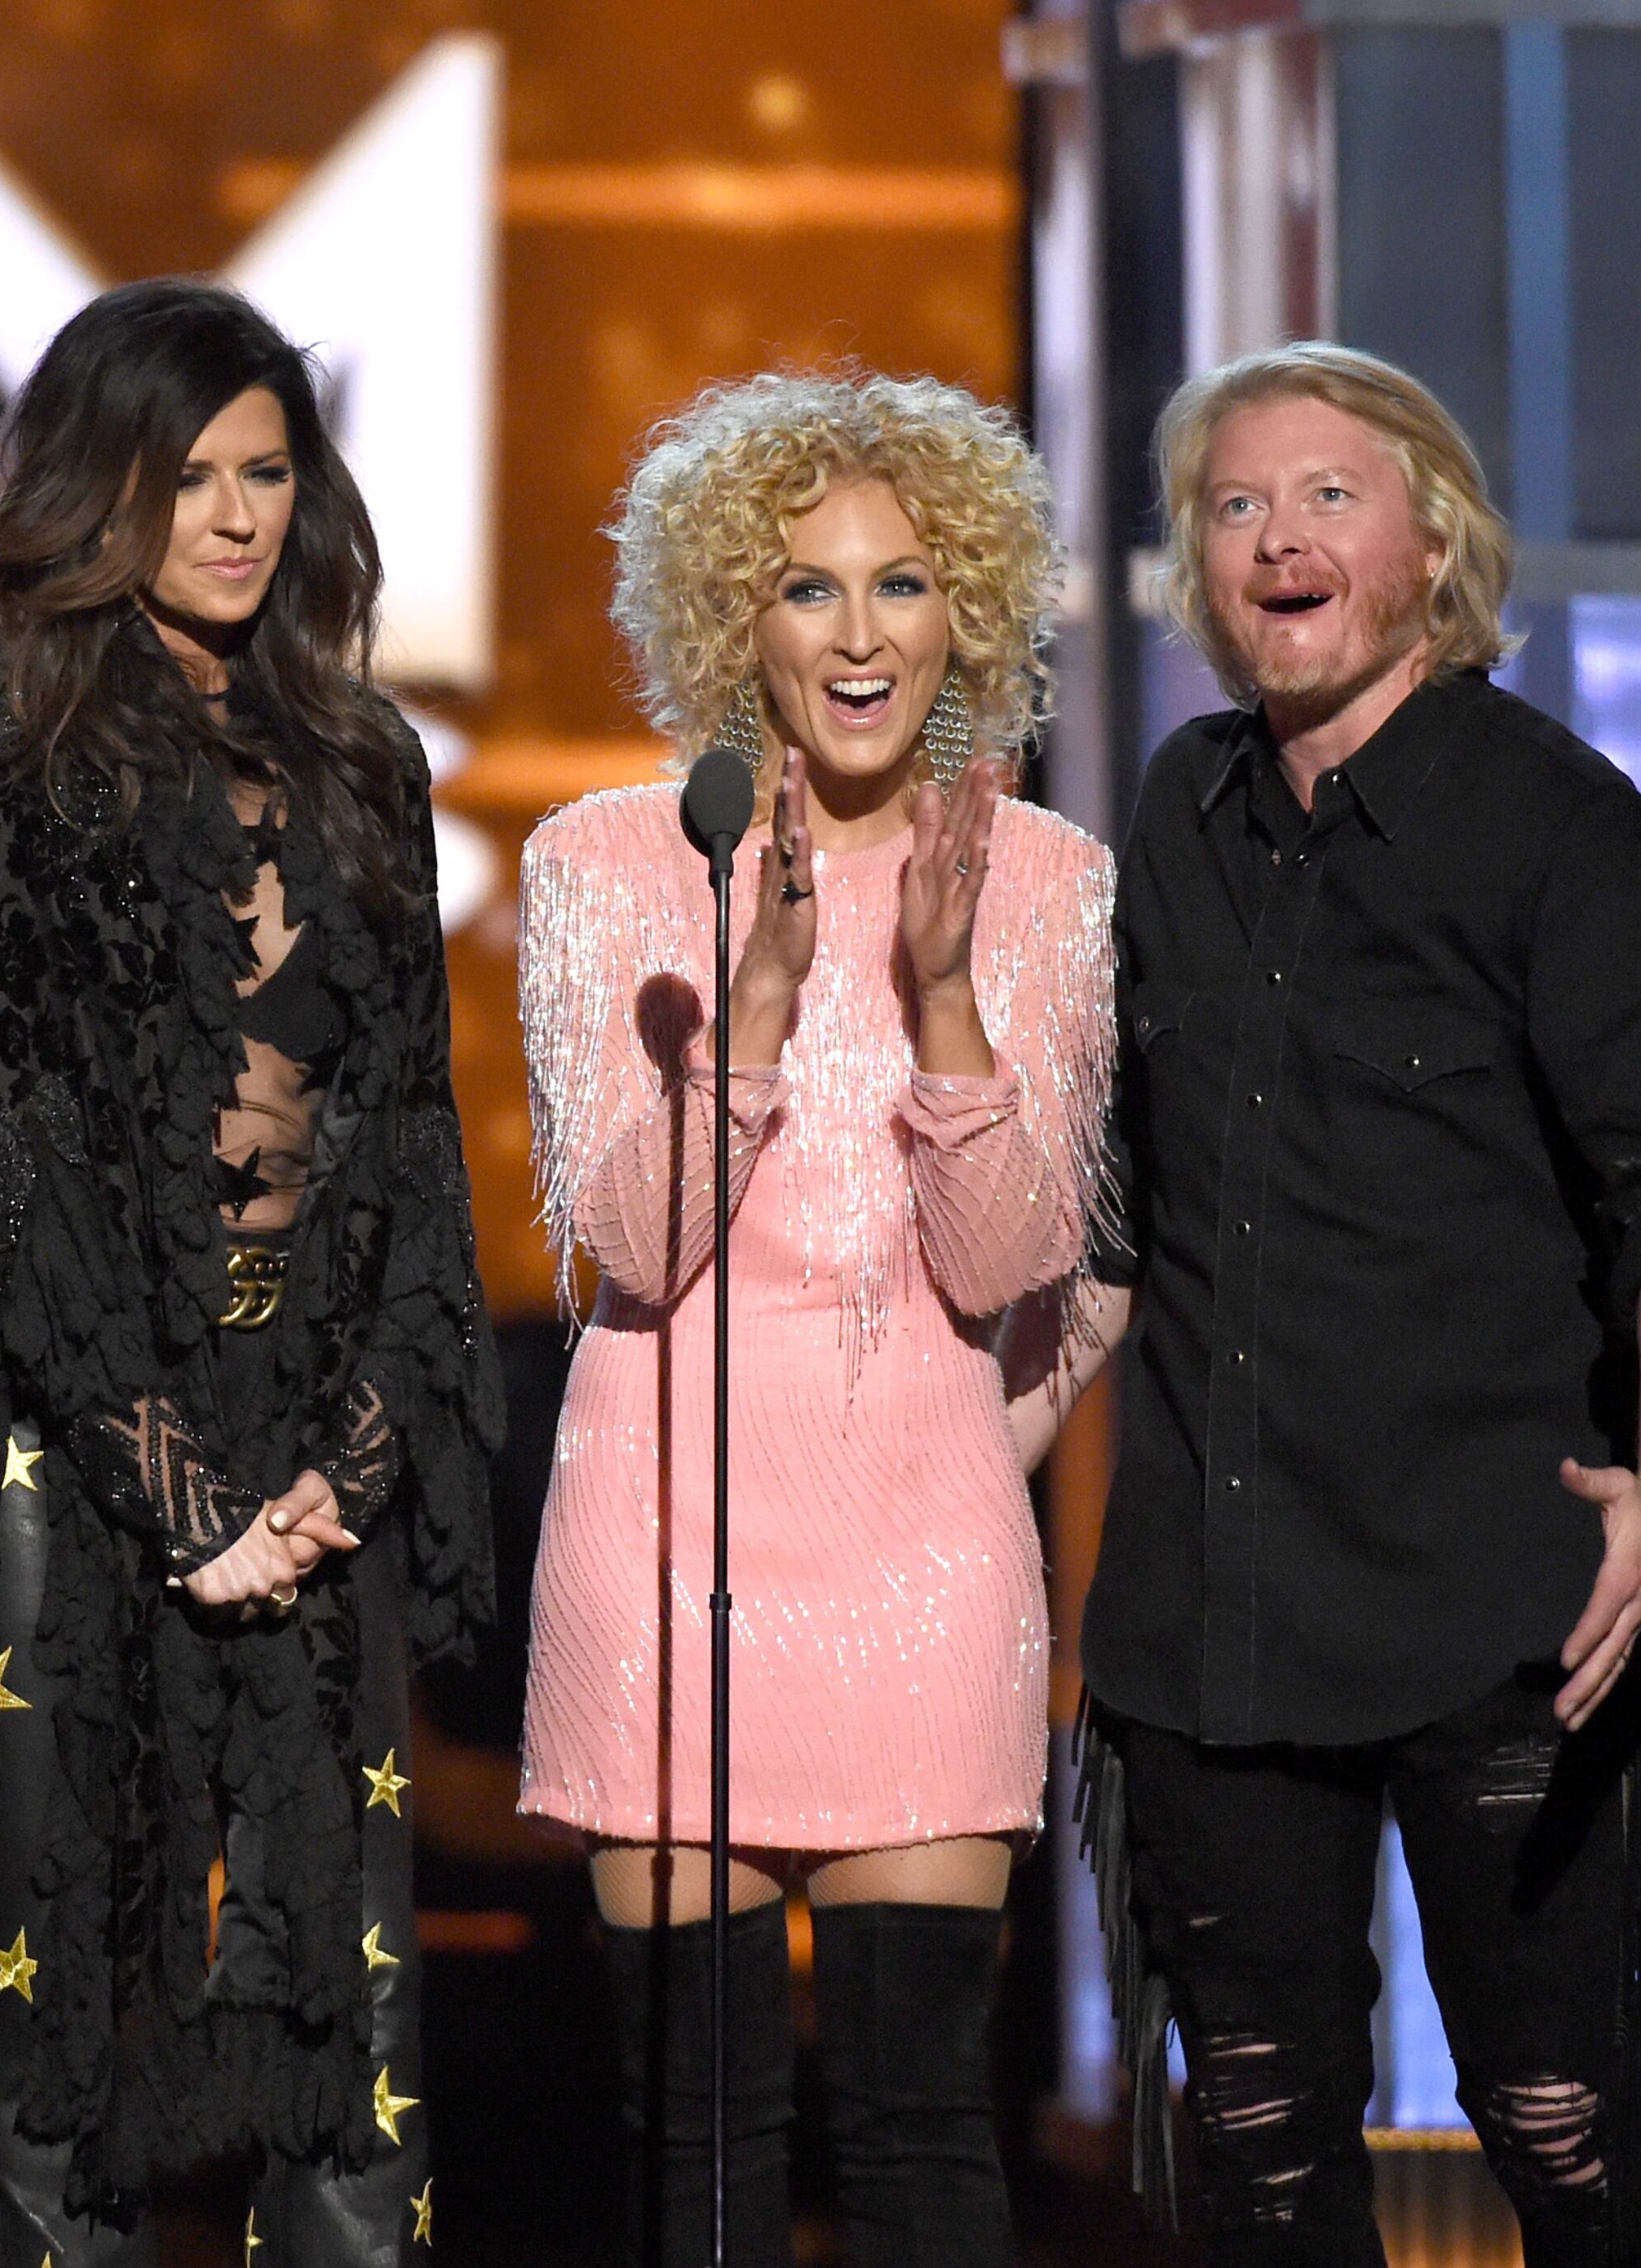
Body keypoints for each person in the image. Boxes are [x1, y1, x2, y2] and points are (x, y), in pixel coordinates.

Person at [1076, 342, 1641, 2267]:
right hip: (1214, 1638)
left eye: (1325, 495)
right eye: (1234, 506)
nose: (1276, 538)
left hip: (1497, 1610)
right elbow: (1109, 1209)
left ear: (1432, 539)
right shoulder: (1175, 811)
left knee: (1564, 2135)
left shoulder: (1561, 824)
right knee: (1262, 2158)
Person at [0, 279, 502, 2267]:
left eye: (268, 471)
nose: (234, 515)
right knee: (57, 2074)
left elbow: (406, 1136)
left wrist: (352, 1462)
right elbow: (11, 1163)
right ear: (90, 485)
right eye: (187, 472)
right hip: (58, 1459)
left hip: (314, 1466)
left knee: (356, 2058)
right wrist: (177, 1487)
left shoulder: (369, 760)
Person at [515, 368, 1115, 2267]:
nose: (860, 637)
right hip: (665, 1542)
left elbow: (1022, 1265)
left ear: (971, 612)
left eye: (904, 586)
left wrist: (942, 997)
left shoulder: (1050, 880)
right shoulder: (607, 862)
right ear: (729, 617)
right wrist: (754, 1012)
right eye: (807, 589)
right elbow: (626, 1235)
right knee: (697, 2140)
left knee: (927, 2127)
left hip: (924, 1558)